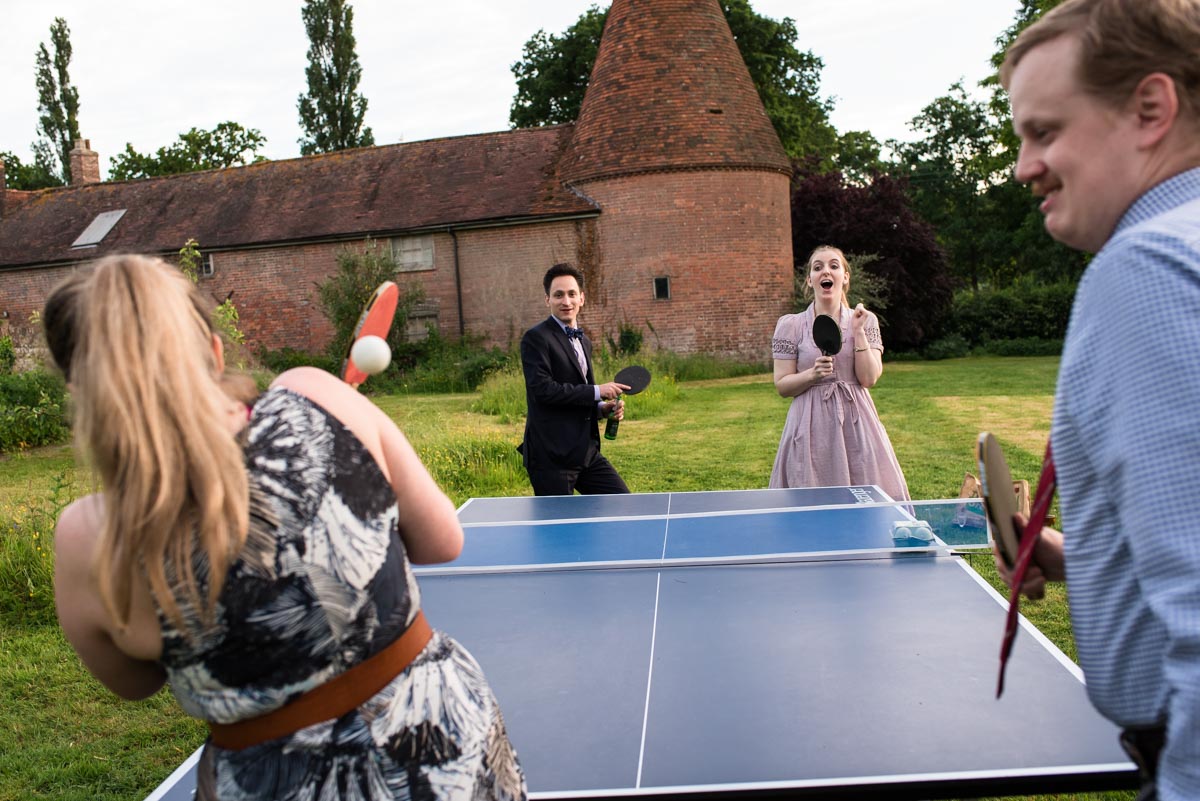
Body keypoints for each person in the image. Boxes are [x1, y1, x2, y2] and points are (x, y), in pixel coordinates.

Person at [43, 255, 526, 801]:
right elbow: (444, 540)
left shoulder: (88, 533)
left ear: (82, 391)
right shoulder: (315, 392)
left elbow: (133, 682)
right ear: (213, 351)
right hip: (447, 750)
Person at [998, 1, 1200, 798]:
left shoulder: (1148, 269)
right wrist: (1092, 560)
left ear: (1151, 108)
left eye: (1044, 131)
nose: (1022, 165)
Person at [769, 245, 909, 501]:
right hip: (809, 425)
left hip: (857, 424)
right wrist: (812, 375)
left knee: (868, 497)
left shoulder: (866, 320)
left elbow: (869, 378)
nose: (826, 271)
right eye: (818, 267)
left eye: (834, 266)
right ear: (809, 280)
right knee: (809, 501)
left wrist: (857, 333)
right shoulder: (790, 326)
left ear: (845, 277)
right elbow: (782, 385)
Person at [518, 263, 629, 496]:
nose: (566, 301)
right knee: (558, 530)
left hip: (586, 453)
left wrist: (601, 408)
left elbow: (580, 391)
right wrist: (598, 391)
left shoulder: (584, 341)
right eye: (558, 295)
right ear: (547, 299)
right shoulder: (535, 338)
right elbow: (544, 391)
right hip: (551, 458)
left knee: (621, 503)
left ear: (582, 298)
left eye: (571, 294)